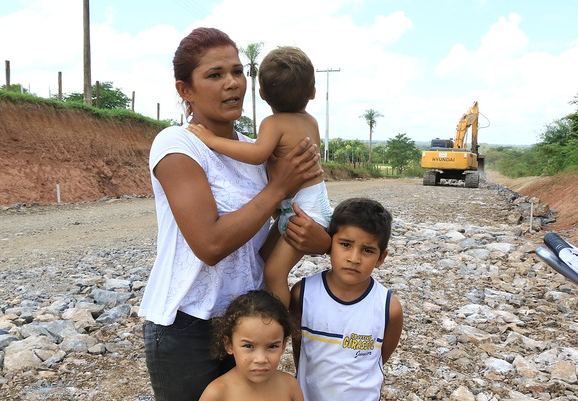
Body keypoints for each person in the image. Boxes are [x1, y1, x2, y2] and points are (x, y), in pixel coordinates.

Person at [138, 27, 331, 401]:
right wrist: (279, 188)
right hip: (187, 326)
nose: (232, 84)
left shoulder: (257, 148)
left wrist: (318, 238)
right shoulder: (177, 144)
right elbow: (210, 245)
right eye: (215, 75)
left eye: (238, 71)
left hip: (250, 329)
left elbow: (266, 239)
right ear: (184, 91)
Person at [188, 46, 332, 307]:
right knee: (262, 259)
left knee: (273, 273)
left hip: (302, 213)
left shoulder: (273, 124)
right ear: (312, 92)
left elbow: (257, 154)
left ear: (262, 93)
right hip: (307, 208)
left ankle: (284, 327)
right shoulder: (310, 121)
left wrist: (211, 140)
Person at [289, 197, 404, 401]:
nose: (354, 258)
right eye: (345, 244)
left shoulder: (388, 308)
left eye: (367, 250)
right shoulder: (303, 294)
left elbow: (379, 358)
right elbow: (300, 347)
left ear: (381, 258)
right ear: (329, 244)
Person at [199, 290, 304, 401]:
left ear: (283, 345)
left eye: (272, 346)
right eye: (248, 346)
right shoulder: (217, 393)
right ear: (229, 344)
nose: (261, 359)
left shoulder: (290, 386)